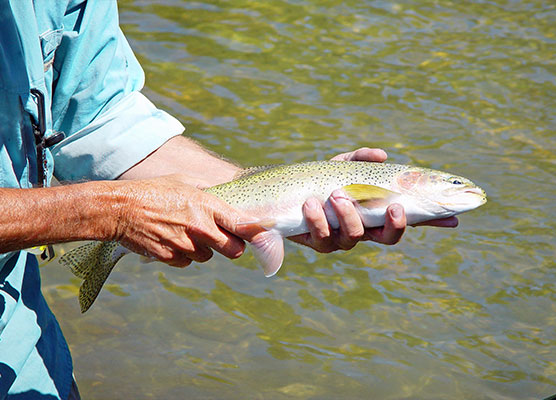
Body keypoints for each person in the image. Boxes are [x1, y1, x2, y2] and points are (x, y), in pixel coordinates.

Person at [0, 1, 457, 399]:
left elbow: (101, 119)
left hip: (29, 349)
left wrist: (276, 197)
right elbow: (110, 200)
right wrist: (108, 213)